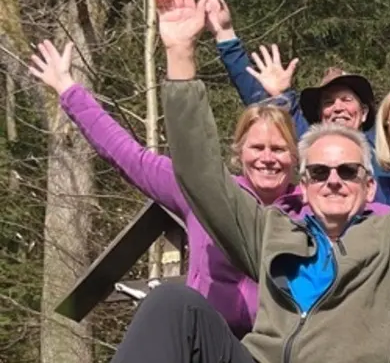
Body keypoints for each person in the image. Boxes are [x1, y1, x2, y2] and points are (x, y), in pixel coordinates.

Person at [110, 0, 390, 363]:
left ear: (370, 185)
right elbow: (200, 177)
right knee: (172, 303)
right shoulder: (272, 233)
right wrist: (181, 53)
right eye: (320, 172)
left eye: (347, 171)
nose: (333, 180)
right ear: (304, 182)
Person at [27, 41, 358, 337]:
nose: (267, 159)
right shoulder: (205, 191)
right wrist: (69, 90)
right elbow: (127, 155)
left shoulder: (314, 205)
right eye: (257, 148)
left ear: (295, 156)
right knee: (166, 305)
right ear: (239, 151)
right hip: (205, 340)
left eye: (279, 148)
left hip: (279, 347)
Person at [197, 0, 390, 275]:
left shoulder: (386, 146)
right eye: (327, 101)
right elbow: (270, 119)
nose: (337, 107)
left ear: (364, 113)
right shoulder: (312, 147)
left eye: (346, 99)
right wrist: (225, 36)